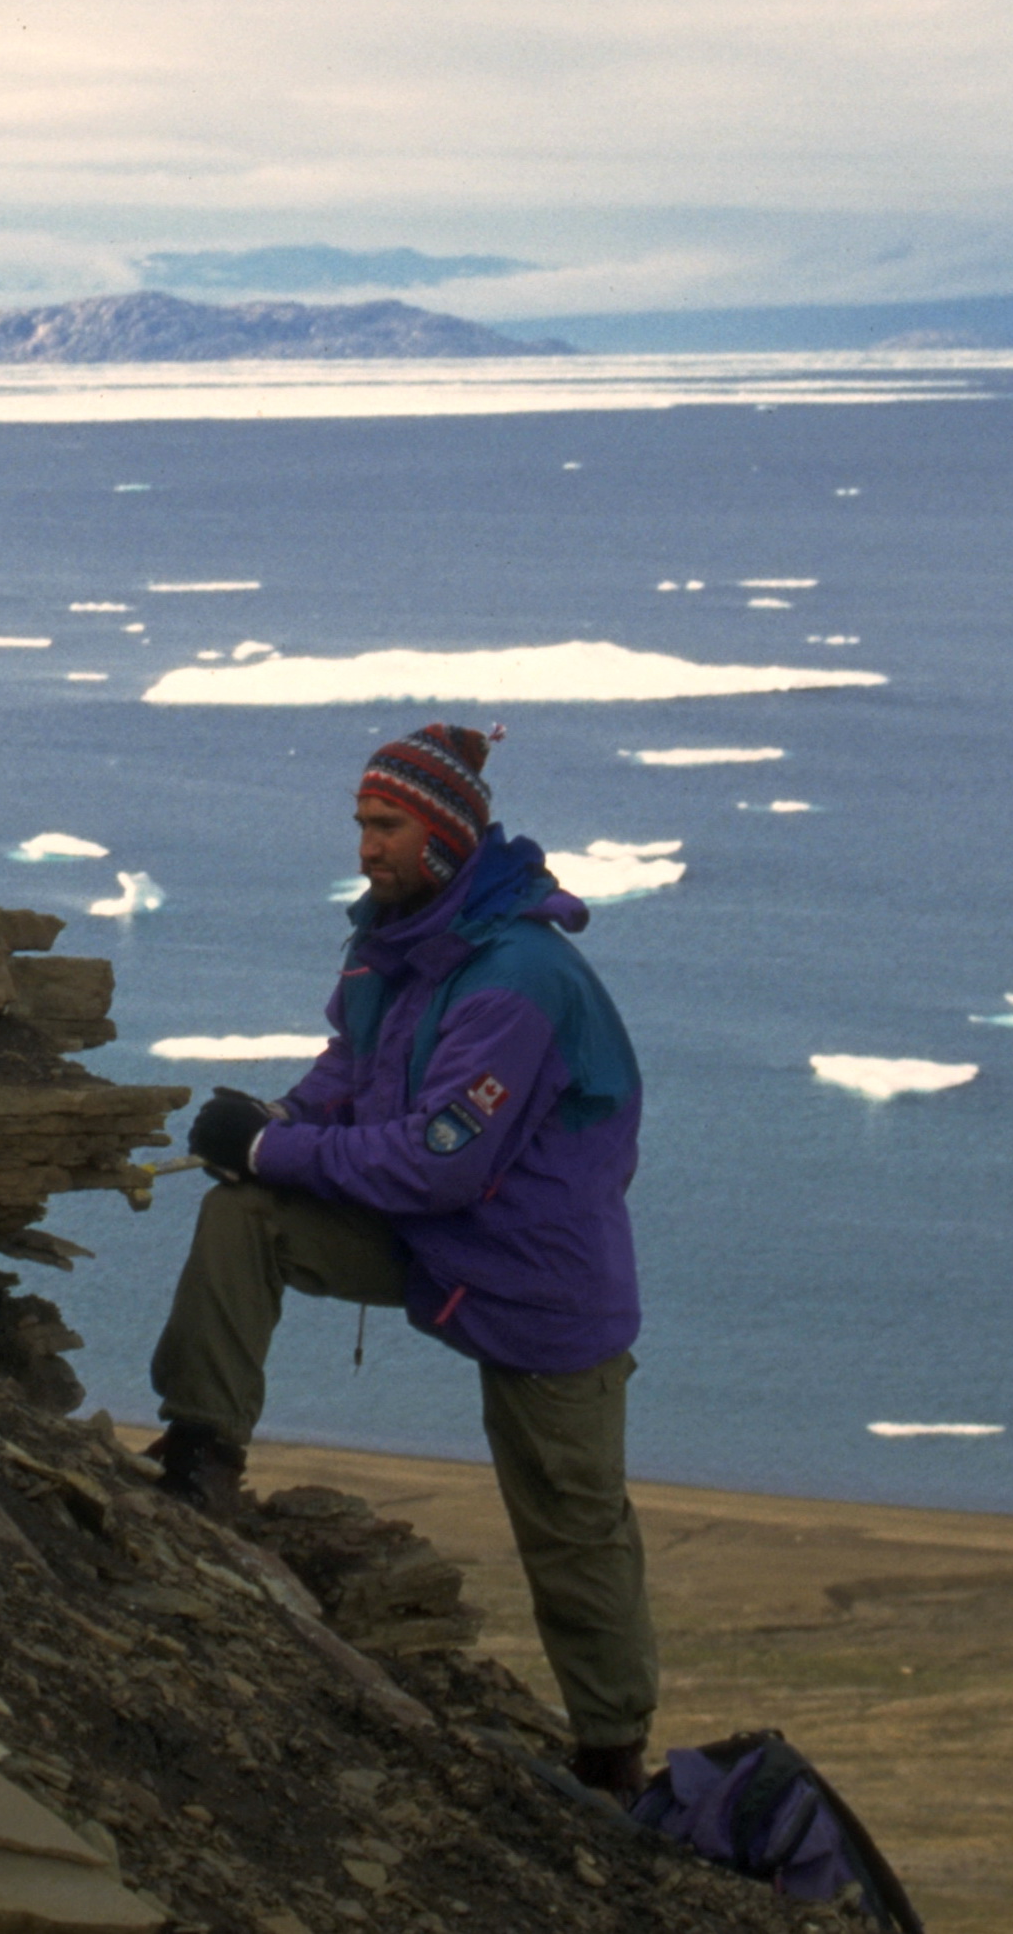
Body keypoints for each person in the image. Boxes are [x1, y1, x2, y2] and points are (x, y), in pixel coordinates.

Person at [143, 722, 657, 1797]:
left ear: (447, 835)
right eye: (363, 823)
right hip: (440, 1246)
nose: (368, 845)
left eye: (388, 825)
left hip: (537, 1279)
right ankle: (200, 1460)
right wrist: (279, 1119)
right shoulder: (405, 938)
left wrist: (276, 1147)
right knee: (248, 1217)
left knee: (572, 1525)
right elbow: (355, 1063)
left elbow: (439, 1162)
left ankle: (611, 1759)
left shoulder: (516, 978)